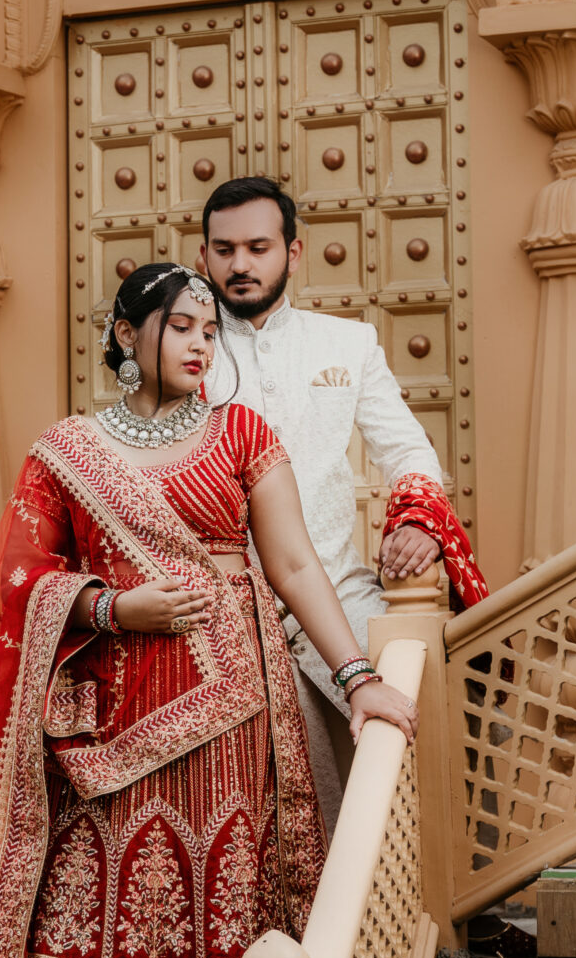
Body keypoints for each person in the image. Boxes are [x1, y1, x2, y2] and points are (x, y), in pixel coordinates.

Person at [0, 260, 419, 958]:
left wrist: (358, 676)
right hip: (109, 737)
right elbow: (20, 586)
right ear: (127, 334)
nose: (203, 344)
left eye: (210, 329)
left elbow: (293, 565)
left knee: (229, 920)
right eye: (182, 326)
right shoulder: (66, 452)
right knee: (107, 922)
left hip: (234, 726)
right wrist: (114, 607)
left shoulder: (243, 434)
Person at [199, 175, 487, 827]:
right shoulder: (189, 346)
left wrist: (418, 522)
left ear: (292, 253)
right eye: (224, 250)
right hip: (227, 605)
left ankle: (439, 876)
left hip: (337, 588)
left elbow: (408, 450)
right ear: (203, 256)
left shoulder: (345, 345)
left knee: (424, 702)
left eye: (257, 248)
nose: (240, 264)